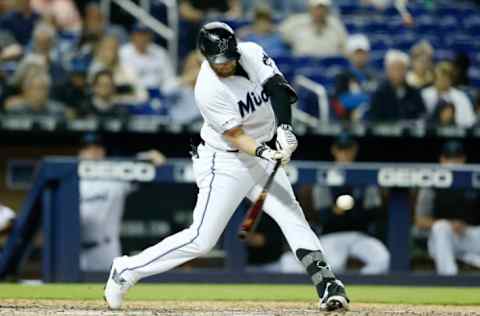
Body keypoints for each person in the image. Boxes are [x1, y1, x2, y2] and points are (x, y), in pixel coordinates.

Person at [104, 22, 349, 312]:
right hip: (225, 160)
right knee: (202, 239)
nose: (227, 64)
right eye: (219, 61)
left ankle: (327, 283)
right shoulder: (207, 89)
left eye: (229, 57)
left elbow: (278, 89)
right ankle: (126, 270)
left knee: (291, 215)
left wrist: (285, 129)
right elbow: (236, 136)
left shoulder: (251, 52)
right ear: (206, 58)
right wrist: (265, 152)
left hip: (261, 151)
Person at [287, 133, 389, 274]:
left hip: (359, 235)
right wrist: (335, 211)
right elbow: (322, 216)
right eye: (341, 150)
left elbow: (374, 213)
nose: (344, 154)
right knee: (333, 266)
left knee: (382, 259)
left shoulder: (365, 175)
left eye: (348, 149)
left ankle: (361, 290)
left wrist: (355, 210)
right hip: (332, 235)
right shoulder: (323, 176)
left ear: (354, 150)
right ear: (334, 150)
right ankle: (336, 292)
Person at [79, 133, 166, 271]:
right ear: (81, 152)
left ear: (103, 151)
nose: (92, 153)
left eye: (97, 148)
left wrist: (149, 156)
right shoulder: (72, 179)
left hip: (105, 249)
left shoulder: (115, 175)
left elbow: (148, 163)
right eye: (88, 148)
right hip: (77, 251)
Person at [415, 141, 480, 275]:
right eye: (449, 158)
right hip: (442, 239)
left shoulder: (475, 180)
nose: (453, 162)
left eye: (456, 158)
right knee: (441, 227)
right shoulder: (431, 183)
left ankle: (468, 258)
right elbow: (419, 221)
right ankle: (449, 278)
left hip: (468, 234)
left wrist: (464, 226)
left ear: (463, 159)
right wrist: (450, 224)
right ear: (442, 160)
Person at [368, 49, 426, 122]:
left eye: (401, 68)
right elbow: (373, 119)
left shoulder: (414, 92)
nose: (397, 73)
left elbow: (422, 115)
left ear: (406, 70)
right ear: (387, 70)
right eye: (394, 69)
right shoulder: (379, 93)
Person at [279, 0, 348, 57]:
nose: (320, 12)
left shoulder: (336, 25)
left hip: (329, 64)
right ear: (310, 9)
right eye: (317, 8)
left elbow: (343, 45)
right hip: (303, 63)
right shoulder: (296, 22)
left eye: (323, 9)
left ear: (327, 10)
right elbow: (282, 37)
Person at [119, 23, 176, 93]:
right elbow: (129, 78)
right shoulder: (124, 51)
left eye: (145, 35)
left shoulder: (160, 52)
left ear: (150, 37)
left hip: (160, 91)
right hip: (135, 92)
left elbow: (169, 77)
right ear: (133, 36)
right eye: (139, 35)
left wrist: (162, 92)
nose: (142, 38)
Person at [333, 34, 377, 121]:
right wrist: (367, 97)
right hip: (348, 122)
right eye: (357, 53)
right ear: (349, 54)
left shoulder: (373, 76)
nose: (360, 56)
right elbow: (341, 102)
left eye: (363, 53)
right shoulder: (342, 76)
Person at [422, 62, 475, 128]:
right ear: (434, 78)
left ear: (452, 79)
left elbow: (469, 122)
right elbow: (418, 120)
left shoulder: (461, 98)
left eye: (447, 77)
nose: (443, 80)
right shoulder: (424, 94)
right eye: (441, 77)